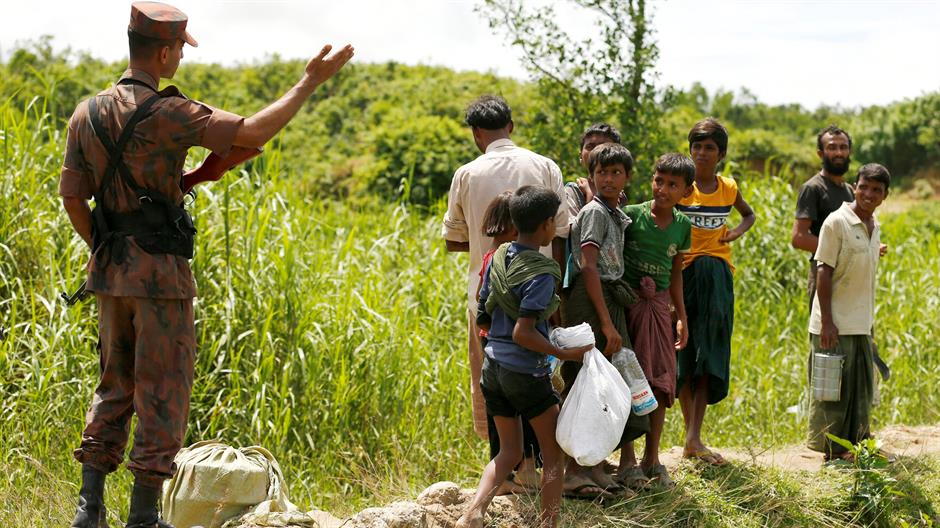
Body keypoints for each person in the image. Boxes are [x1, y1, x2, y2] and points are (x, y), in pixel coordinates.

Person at [59, 3, 353, 527]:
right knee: (163, 390)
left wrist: (106, 243)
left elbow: (73, 197)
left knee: (112, 387)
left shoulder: (87, 112)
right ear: (166, 51)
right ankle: (144, 516)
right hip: (162, 280)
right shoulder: (171, 112)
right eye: (178, 51)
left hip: (109, 277)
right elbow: (256, 132)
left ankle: (89, 509)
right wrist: (309, 82)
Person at [457, 185, 590, 528]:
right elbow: (524, 332)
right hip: (524, 372)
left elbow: (484, 314)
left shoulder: (498, 257)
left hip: (493, 369)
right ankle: (548, 523)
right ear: (547, 225)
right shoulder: (543, 272)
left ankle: (474, 513)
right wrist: (564, 352)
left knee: (509, 452)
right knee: (554, 455)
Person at [442, 94, 569, 442]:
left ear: (476, 133)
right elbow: (561, 233)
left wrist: (491, 246)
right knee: (539, 373)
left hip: (486, 294)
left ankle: (509, 464)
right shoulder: (545, 166)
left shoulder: (466, 173)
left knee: (492, 373)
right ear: (510, 127)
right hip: (539, 292)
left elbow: (453, 239)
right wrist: (557, 291)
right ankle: (543, 458)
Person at [561, 143, 641, 497]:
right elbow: (589, 266)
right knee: (585, 380)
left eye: (615, 172)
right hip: (592, 300)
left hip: (607, 297)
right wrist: (606, 324)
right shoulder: (594, 212)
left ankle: (593, 466)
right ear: (591, 177)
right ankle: (575, 469)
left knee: (603, 384)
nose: (608, 179)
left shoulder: (613, 211)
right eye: (601, 173)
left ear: (627, 178)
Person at [675, 118, 756, 466]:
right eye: (697, 146)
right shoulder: (681, 188)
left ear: (720, 154)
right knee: (684, 350)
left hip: (718, 277)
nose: (701, 153)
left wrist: (735, 233)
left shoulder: (728, 188)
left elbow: (748, 216)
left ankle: (695, 436)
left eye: (709, 148)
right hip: (685, 276)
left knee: (710, 354)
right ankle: (689, 434)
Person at [618, 153, 694, 489]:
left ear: (686, 192)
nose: (663, 189)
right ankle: (627, 459)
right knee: (629, 381)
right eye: (658, 180)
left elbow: (676, 271)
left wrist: (681, 316)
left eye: (672, 184)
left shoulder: (682, 226)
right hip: (630, 306)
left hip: (660, 310)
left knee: (660, 382)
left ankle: (653, 457)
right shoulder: (631, 216)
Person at [807, 164, 890, 461]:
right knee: (833, 391)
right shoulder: (836, 222)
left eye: (876, 190)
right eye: (864, 187)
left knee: (859, 389)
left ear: (884, 196)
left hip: (860, 323)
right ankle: (832, 451)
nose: (868, 194)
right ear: (855, 186)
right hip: (834, 324)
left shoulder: (873, 224)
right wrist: (827, 322)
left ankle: (855, 446)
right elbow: (823, 272)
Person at [476, 192, 539, 494]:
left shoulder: (492, 254)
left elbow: (481, 302)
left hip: (493, 343)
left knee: (501, 410)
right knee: (520, 408)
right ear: (515, 227)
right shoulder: (505, 257)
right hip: (510, 347)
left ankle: (512, 473)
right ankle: (522, 471)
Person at [790, 125, 856, 306]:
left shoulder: (850, 190)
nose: (839, 153)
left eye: (843, 147)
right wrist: (841, 249)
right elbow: (799, 238)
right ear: (821, 154)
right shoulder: (813, 188)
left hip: (851, 273)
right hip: (824, 272)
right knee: (825, 332)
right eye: (832, 147)